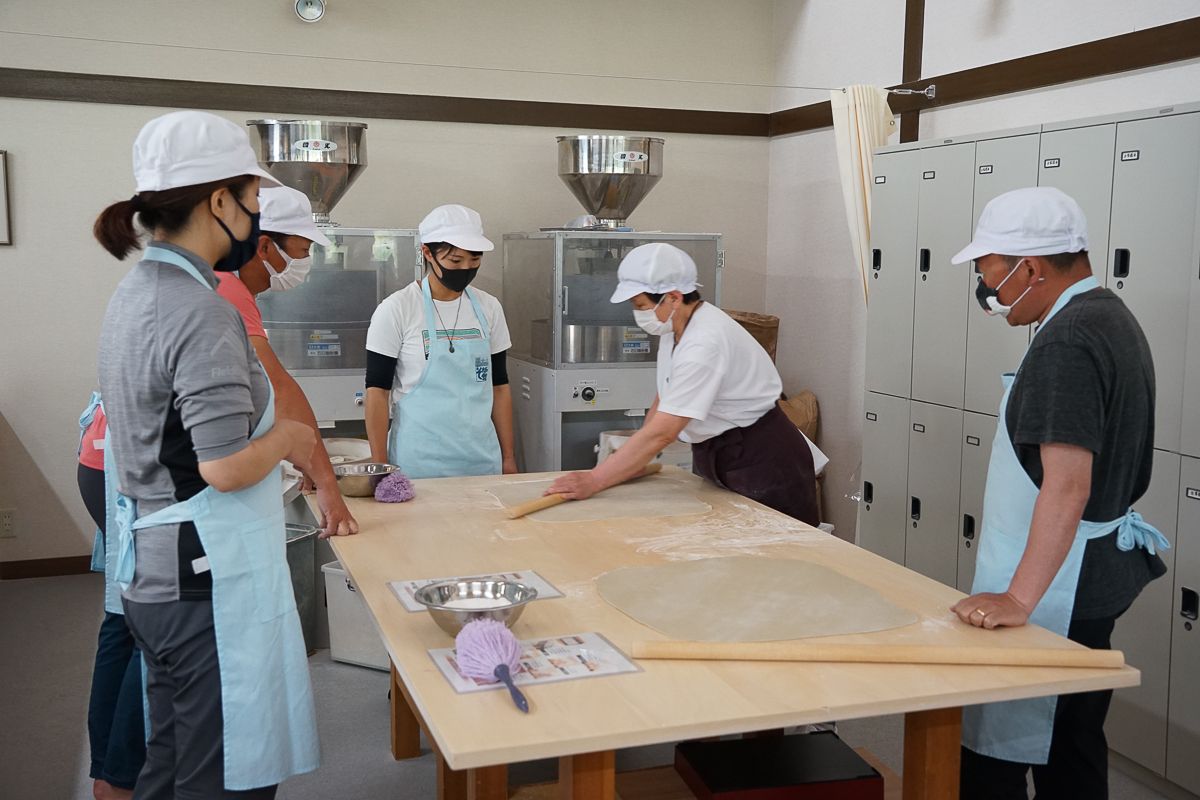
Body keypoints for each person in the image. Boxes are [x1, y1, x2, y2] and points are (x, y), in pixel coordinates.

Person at [93, 110, 320, 799]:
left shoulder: (138, 291)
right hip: (202, 580)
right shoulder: (201, 308)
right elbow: (221, 467)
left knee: (171, 753)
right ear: (220, 201)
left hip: (153, 574)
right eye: (254, 202)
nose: (255, 221)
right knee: (222, 770)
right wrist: (289, 438)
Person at [948, 187, 1169, 798]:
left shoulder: (1068, 341)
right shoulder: (1107, 314)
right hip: (1087, 574)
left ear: (1030, 268)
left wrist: (1019, 597)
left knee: (1005, 748)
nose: (983, 284)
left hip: (1059, 589)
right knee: (1072, 746)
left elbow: (1067, 487)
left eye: (986, 268)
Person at [546, 243, 819, 525]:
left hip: (762, 460)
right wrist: (633, 461)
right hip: (720, 453)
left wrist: (595, 479)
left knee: (772, 555)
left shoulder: (704, 342)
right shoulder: (676, 328)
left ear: (673, 297)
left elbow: (664, 431)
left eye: (641, 305)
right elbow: (666, 397)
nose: (638, 314)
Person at [214, 185, 358, 537]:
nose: (304, 264)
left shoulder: (230, 285)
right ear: (264, 246)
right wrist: (328, 485)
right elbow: (278, 388)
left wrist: (305, 454)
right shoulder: (224, 288)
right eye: (303, 251)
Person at [364, 204, 516, 477]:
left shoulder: (489, 308)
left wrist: (508, 458)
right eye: (455, 261)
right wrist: (380, 467)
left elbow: (500, 387)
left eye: (475, 260)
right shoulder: (397, 308)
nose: (466, 269)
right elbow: (377, 392)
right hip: (417, 464)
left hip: (481, 461)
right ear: (427, 253)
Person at [78, 395, 143, 800]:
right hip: (121, 465)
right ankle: (118, 776)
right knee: (145, 629)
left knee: (123, 623)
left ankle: (109, 770)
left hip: (104, 457)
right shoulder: (230, 327)